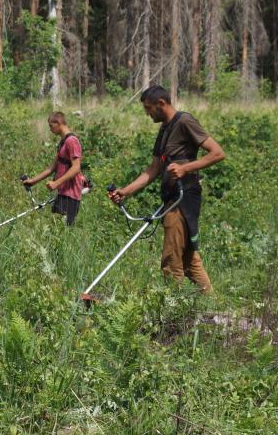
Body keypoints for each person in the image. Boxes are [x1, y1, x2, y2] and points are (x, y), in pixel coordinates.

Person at [108, 86, 225, 293]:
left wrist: (185, 168)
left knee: (171, 260)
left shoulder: (185, 121)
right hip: (171, 199)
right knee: (188, 259)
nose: (147, 113)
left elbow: (217, 153)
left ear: (161, 104)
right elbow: (153, 169)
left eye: (149, 108)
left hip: (184, 199)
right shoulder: (164, 129)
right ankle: (211, 301)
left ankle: (173, 308)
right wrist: (126, 191)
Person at [21, 112, 86, 226]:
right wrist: (32, 181)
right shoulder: (63, 142)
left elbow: (76, 168)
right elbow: (52, 168)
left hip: (71, 194)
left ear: (59, 123)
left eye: (51, 126)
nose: (50, 129)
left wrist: (56, 183)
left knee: (66, 228)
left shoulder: (72, 141)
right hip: (63, 191)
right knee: (56, 226)